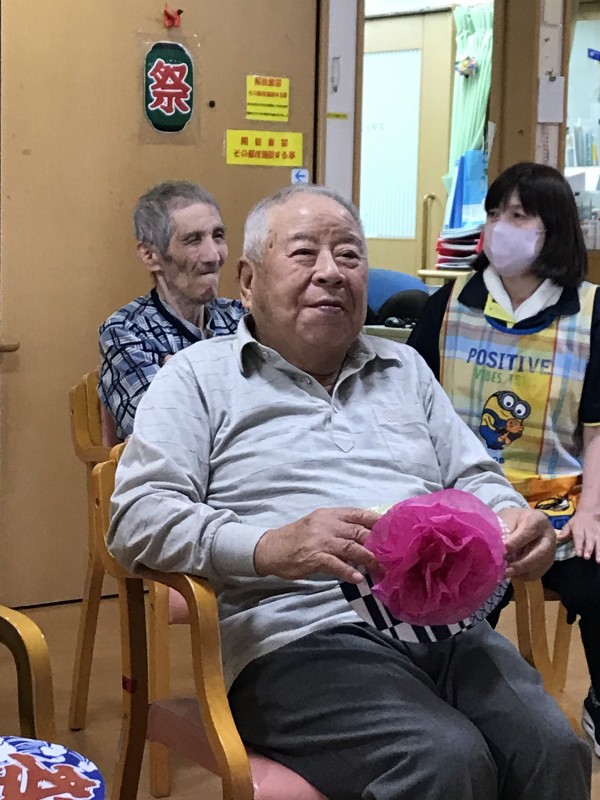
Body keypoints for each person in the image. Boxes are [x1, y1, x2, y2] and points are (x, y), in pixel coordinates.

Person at [108, 185, 591, 800]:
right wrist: (269, 546)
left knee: (554, 748)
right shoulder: (196, 378)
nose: (331, 272)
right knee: (442, 759)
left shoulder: (405, 369)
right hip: (296, 637)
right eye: (304, 253)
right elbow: (136, 518)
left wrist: (510, 516)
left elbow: (473, 475)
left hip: (443, 626)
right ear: (248, 281)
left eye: (349, 254)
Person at [408, 161, 600, 757]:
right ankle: (443, 716)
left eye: (518, 215)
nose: (499, 227)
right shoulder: (448, 304)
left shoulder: (589, 312)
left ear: (553, 229)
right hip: (461, 506)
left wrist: (591, 512)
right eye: (494, 214)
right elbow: (406, 405)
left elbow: (597, 428)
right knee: (447, 604)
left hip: (557, 506)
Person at [98, 181, 245, 439]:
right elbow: (158, 429)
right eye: (193, 240)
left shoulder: (241, 317)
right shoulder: (126, 330)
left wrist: (182, 377)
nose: (214, 256)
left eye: (218, 235)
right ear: (150, 256)